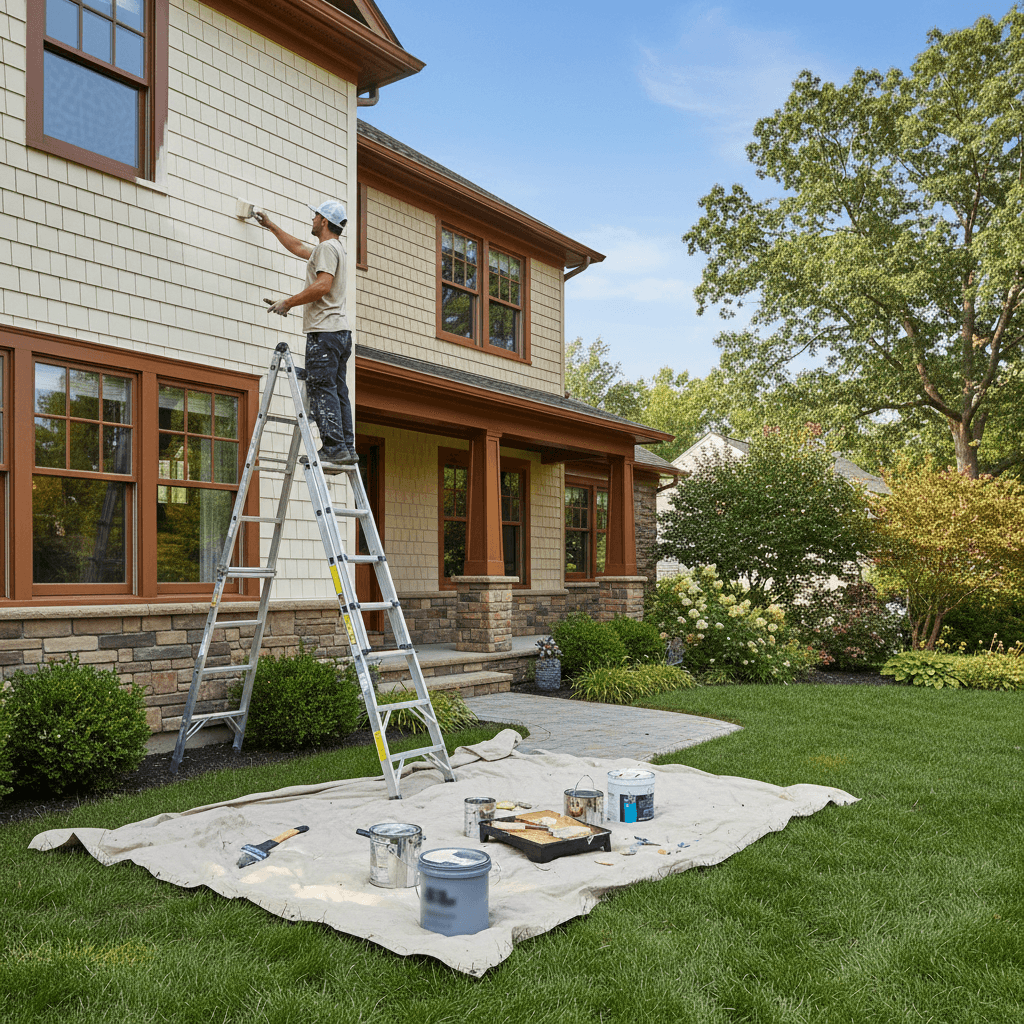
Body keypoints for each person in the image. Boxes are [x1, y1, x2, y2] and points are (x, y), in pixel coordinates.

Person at [257, 200, 356, 468]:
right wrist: (271, 226)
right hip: (340, 332)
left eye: (315, 216)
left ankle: (334, 448)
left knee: (321, 387)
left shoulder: (326, 248)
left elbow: (323, 285)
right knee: (338, 390)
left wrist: (287, 303)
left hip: (324, 332)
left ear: (324, 221)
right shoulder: (334, 249)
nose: (312, 219)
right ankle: (346, 446)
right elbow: (299, 247)